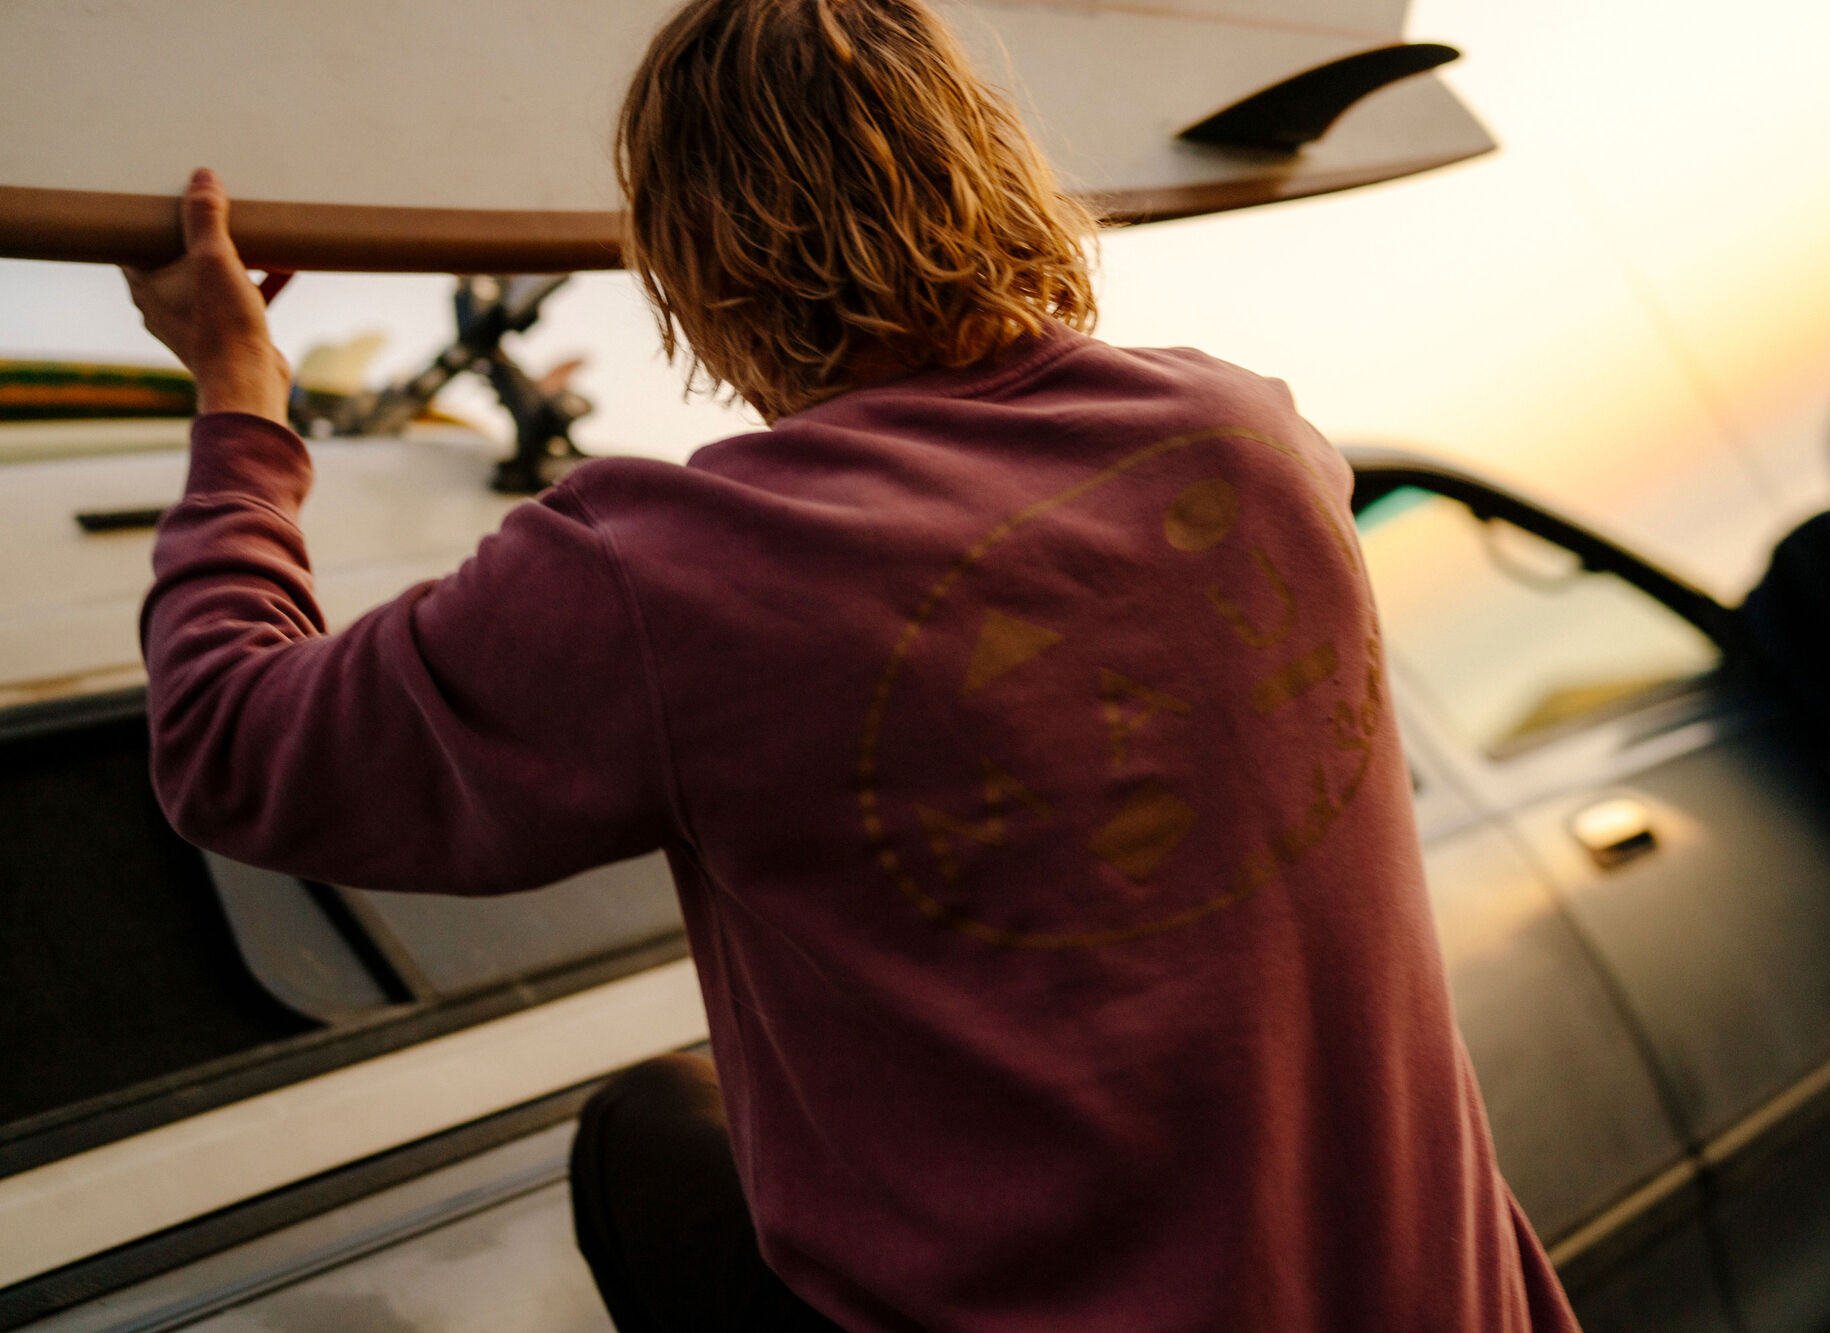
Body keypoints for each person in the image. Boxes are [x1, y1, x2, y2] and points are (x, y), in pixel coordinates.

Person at [123, 0, 1581, 1329]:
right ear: (991, 164)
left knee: (649, 1134)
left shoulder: (673, 570)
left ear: (691, 272)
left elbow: (226, 741)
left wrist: (242, 403)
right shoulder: (1260, 444)